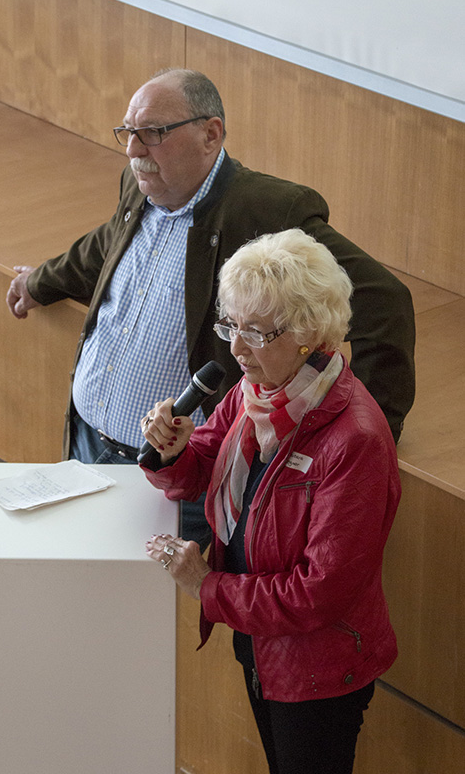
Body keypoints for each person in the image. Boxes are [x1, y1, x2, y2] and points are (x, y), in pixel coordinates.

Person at [5, 68, 414, 546]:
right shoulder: (142, 184)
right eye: (128, 134)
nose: (135, 150)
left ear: (210, 134)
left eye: (153, 134)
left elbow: (383, 300)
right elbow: (107, 246)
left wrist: (367, 430)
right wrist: (41, 281)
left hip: (184, 479)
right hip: (88, 447)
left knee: (152, 615)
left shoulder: (263, 211)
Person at [143, 228, 400, 774]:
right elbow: (205, 464)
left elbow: (318, 593)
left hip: (318, 668)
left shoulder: (355, 438)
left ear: (309, 333)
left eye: (255, 332)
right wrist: (172, 451)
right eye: (231, 326)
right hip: (260, 639)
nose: (235, 348)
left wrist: (206, 586)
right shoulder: (257, 388)